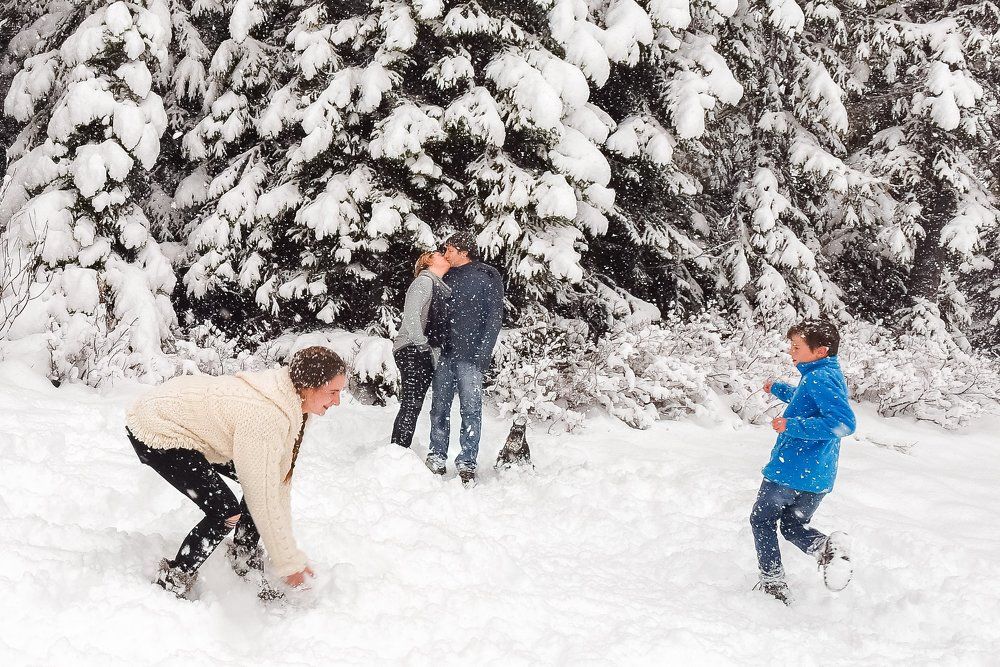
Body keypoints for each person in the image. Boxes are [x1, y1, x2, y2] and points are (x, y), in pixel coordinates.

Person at [125, 346, 348, 599]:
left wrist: (288, 557)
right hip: (158, 428)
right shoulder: (266, 415)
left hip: (196, 430)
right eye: (333, 392)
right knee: (225, 513)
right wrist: (289, 565)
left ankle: (243, 557)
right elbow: (262, 497)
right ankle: (174, 579)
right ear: (308, 386)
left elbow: (276, 485)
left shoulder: (294, 407)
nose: (337, 401)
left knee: (259, 481)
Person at [751, 319, 857, 604]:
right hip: (816, 476)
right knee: (792, 526)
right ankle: (826, 549)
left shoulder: (818, 377)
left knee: (761, 521)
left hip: (791, 468)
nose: (790, 351)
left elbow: (844, 424)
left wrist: (792, 426)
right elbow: (807, 399)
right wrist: (778, 388)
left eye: (796, 346)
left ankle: (772, 582)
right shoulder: (825, 374)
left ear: (820, 350)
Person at [426, 231, 504, 487]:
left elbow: (494, 316)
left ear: (463, 251)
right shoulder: (445, 274)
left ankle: (467, 462)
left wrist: (484, 353)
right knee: (439, 408)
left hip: (471, 356)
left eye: (449, 250)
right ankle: (436, 456)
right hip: (445, 353)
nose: (445, 254)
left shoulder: (487, 275)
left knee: (471, 410)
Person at [390, 250, 452, 448]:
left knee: (413, 405)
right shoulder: (424, 281)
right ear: (427, 262)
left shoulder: (438, 286)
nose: (444, 256)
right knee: (411, 404)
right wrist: (421, 342)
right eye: (439, 254)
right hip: (411, 349)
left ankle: (398, 450)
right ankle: (397, 451)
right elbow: (411, 314)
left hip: (419, 351)